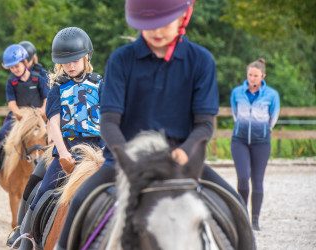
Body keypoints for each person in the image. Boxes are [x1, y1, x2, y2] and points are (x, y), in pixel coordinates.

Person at [55, 0, 245, 249]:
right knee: (78, 202)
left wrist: (184, 151)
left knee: (236, 204)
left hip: (182, 163)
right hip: (124, 162)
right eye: (148, 24)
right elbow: (109, 122)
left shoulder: (201, 61)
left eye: (164, 23)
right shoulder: (121, 60)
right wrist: (126, 158)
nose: (156, 31)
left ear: (183, 17)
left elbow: (204, 125)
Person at [13, 27, 104, 249]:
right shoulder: (57, 89)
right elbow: (53, 124)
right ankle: (25, 238)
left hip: (98, 150)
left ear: (86, 57)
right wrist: (63, 153)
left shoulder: (101, 84)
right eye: (66, 61)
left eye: (75, 60)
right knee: (40, 189)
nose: (71, 65)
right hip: (68, 149)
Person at [0, 44, 49, 181]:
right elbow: (11, 102)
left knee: (52, 133)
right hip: (18, 116)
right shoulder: (11, 82)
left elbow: (46, 98)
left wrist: (42, 110)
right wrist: (19, 113)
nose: (14, 70)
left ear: (24, 62)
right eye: (11, 68)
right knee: (0, 134)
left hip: (37, 116)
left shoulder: (38, 79)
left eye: (17, 66)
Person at [230, 58, 280, 231]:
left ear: (263, 76)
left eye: (256, 75)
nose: (252, 78)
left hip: (261, 143)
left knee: (257, 181)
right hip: (240, 141)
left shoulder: (272, 95)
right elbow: (235, 114)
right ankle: (242, 218)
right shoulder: (237, 92)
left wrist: (263, 130)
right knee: (243, 178)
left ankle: (255, 220)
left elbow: (273, 117)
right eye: (250, 75)